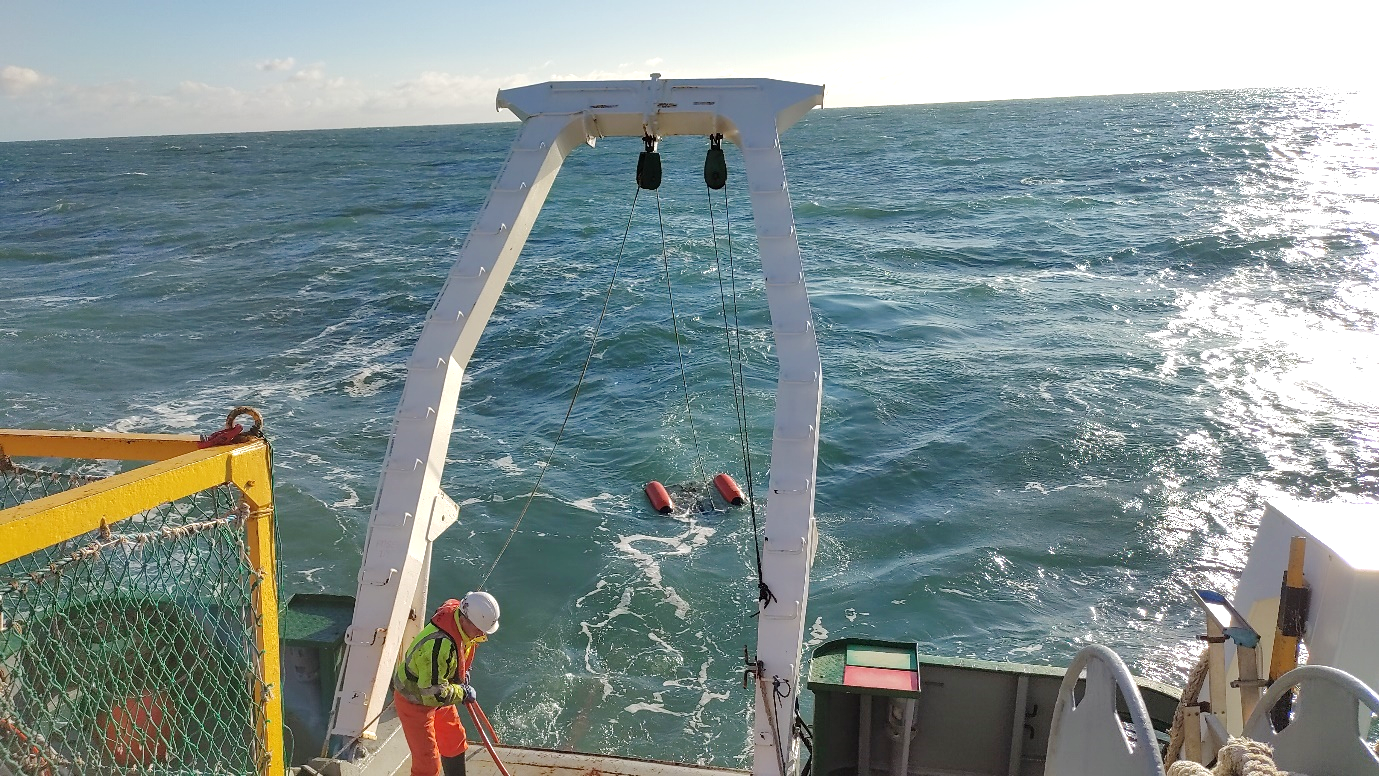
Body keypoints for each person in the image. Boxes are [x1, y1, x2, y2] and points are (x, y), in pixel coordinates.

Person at [392, 591, 500, 776]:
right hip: (415, 701)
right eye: (479, 629)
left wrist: (461, 672)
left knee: (454, 741)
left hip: (439, 689)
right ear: (465, 620)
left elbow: (459, 652)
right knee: (428, 765)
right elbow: (433, 694)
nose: (482, 634)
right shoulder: (438, 647)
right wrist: (462, 693)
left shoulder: (461, 620)